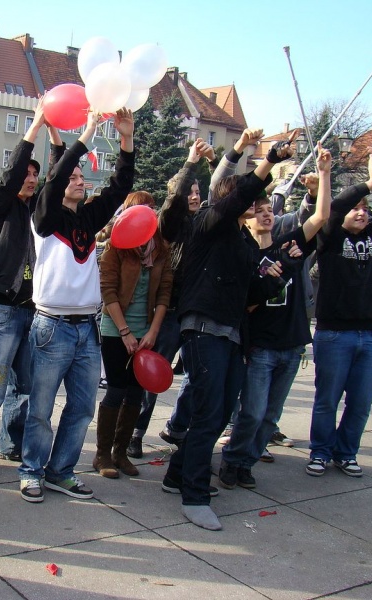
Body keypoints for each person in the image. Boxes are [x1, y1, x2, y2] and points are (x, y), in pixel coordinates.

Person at [161, 131, 294, 530]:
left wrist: (279, 273)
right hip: (203, 330)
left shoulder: (242, 240)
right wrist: (267, 159)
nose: (253, 203)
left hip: (233, 335)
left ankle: (177, 474)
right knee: (208, 412)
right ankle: (194, 495)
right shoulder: (208, 223)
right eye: (246, 197)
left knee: (219, 415)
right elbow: (239, 193)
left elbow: (252, 291)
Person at [18, 107, 136, 503]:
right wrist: (86, 133)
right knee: (41, 408)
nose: (80, 180)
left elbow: (120, 187)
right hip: (51, 326)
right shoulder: (45, 217)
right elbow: (55, 176)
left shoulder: (89, 218)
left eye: (83, 177)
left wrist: (125, 139)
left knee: (83, 408)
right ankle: (31, 471)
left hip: (87, 328)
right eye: (73, 177)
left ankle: (61, 471)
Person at [218, 145, 331, 490]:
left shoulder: (288, 244)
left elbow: (320, 217)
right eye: (260, 210)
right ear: (248, 217)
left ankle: (246, 462)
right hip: (261, 347)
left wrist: (324, 174)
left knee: (270, 417)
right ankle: (233, 459)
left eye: (270, 210)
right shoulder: (246, 254)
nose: (266, 215)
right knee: (251, 412)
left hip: (292, 344)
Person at [0, 101, 64, 478]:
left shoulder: (39, 211)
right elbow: (7, 177)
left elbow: (59, 175)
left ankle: (13, 444)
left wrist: (55, 132)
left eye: (35, 174)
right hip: (4, 309)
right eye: (26, 172)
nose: (30, 178)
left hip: (34, 309)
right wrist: (36, 125)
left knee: (25, 388)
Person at [307, 147, 372, 478]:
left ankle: (346, 453)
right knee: (327, 400)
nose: (362, 213)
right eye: (357, 209)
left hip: (370, 335)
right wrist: (368, 184)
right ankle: (320, 452)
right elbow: (334, 208)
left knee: (361, 402)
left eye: (366, 209)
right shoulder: (330, 237)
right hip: (334, 333)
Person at [128, 138, 214, 458]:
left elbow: (225, 200)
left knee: (199, 376)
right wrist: (191, 162)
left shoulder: (205, 222)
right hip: (169, 312)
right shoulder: (169, 225)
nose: (194, 195)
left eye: (197, 191)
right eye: (188, 191)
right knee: (152, 375)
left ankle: (177, 427)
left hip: (198, 312)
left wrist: (214, 163)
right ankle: (135, 432)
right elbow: (174, 201)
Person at [94, 191, 172, 479]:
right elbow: (108, 291)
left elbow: (165, 292)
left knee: (136, 393)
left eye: (151, 207)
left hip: (146, 331)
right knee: (117, 390)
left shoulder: (161, 247)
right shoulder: (116, 246)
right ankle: (102, 454)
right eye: (141, 207)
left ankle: (121, 451)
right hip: (116, 329)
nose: (148, 212)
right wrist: (125, 331)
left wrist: (153, 330)